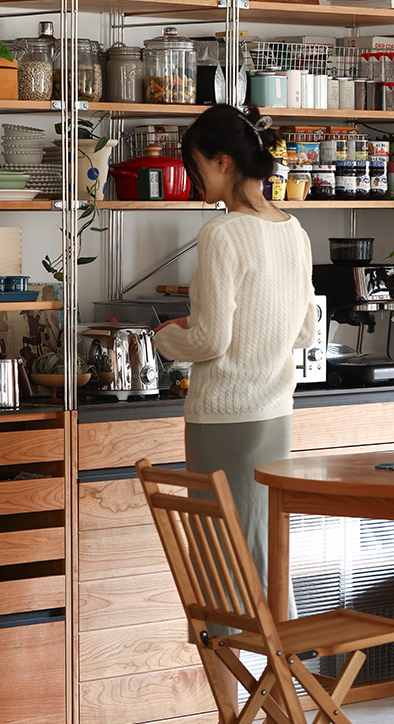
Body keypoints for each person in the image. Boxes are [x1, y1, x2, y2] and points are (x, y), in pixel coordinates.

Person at [153, 104, 318, 629]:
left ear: (223, 162)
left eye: (196, 165)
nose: (193, 178)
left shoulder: (222, 233)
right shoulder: (294, 230)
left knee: (222, 556)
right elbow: (305, 332)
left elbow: (211, 340)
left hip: (223, 419)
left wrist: (164, 340)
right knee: (264, 546)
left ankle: (239, 667)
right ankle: (288, 656)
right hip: (275, 415)